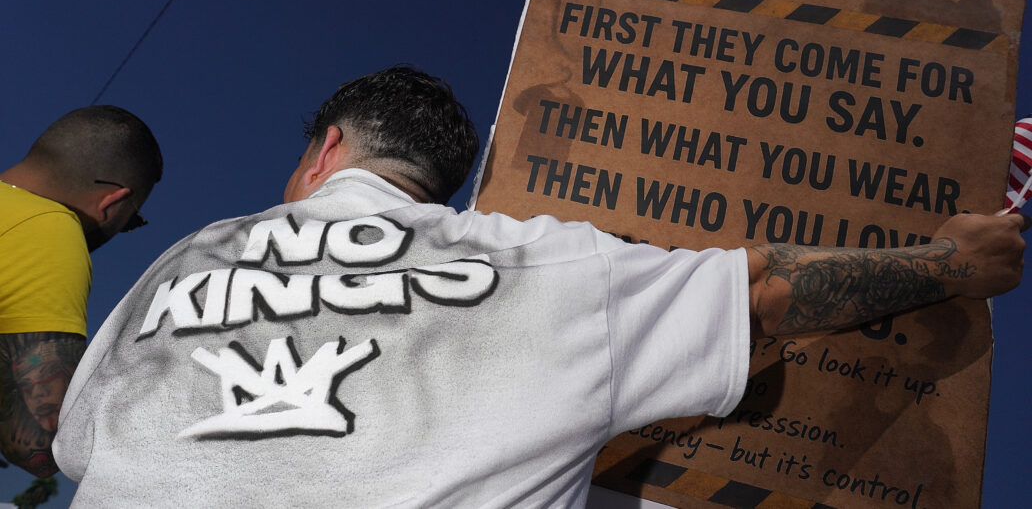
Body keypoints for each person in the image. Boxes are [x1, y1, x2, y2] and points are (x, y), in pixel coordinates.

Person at [53, 67, 1025, 507]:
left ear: (327, 148)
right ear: (446, 180)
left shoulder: (185, 259)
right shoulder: (542, 261)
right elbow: (766, 289)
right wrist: (955, 264)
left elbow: (78, 446)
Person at [0, 106, 162, 477]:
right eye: (132, 222)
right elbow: (41, 445)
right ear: (114, 202)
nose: (124, 229)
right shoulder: (49, 229)